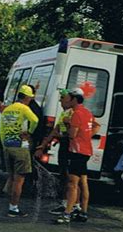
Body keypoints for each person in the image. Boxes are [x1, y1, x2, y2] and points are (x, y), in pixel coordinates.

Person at [55, 88, 100, 224]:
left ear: (74, 99)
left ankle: (67, 213)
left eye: (70, 98)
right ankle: (83, 212)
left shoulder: (76, 114)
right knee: (83, 182)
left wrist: (66, 127)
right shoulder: (87, 112)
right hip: (86, 150)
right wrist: (87, 135)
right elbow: (95, 126)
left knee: (72, 183)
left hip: (76, 151)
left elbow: (72, 135)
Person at [35, 89, 81, 215]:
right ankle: (68, 203)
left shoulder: (74, 113)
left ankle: (74, 205)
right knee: (64, 176)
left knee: (71, 178)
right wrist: (43, 145)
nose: (60, 100)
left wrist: (64, 137)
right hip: (64, 147)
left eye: (63, 98)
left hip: (70, 147)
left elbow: (72, 133)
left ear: (71, 100)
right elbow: (56, 130)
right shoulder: (65, 113)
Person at [0, 85, 38, 217]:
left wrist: (4, 145)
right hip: (20, 147)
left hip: (7, 146)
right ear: (27, 98)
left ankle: (10, 203)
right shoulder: (24, 108)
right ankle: (13, 208)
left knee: (11, 176)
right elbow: (35, 120)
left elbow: (2, 130)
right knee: (19, 180)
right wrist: (29, 133)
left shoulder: (7, 109)